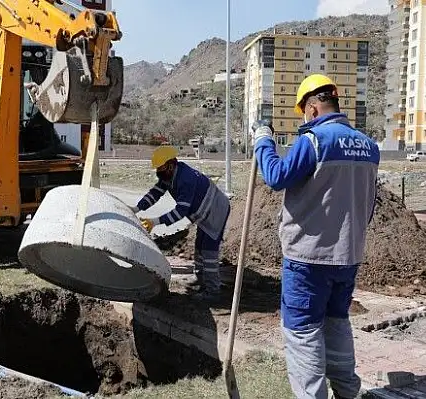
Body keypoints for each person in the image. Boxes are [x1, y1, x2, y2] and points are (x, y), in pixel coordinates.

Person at [250, 74, 380, 399]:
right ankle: (348, 392)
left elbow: (276, 176)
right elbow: (369, 202)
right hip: (348, 256)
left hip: (308, 260)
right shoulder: (368, 147)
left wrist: (263, 140)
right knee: (337, 326)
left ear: (311, 108)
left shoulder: (315, 141)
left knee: (303, 334)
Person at [130, 145, 231, 302]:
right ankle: (200, 278)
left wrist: (155, 222)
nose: (158, 172)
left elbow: (181, 211)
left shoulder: (186, 179)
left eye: (160, 168)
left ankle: (213, 290)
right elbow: (155, 193)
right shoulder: (169, 175)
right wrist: (136, 208)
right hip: (204, 212)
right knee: (199, 245)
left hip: (216, 210)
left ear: (171, 164)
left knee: (208, 250)